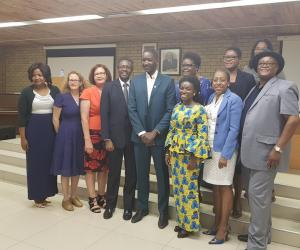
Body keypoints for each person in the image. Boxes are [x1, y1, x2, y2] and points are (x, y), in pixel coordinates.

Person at [240, 51, 299, 250]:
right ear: (256, 67)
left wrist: (278, 148)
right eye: (261, 63)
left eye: (270, 63)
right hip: (250, 153)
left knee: (258, 199)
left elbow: (293, 119)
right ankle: (264, 235)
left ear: (277, 68)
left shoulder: (285, 87)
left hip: (267, 155)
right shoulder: (255, 88)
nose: (265, 65)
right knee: (258, 200)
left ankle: (256, 245)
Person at [128, 49, 176, 228]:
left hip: (159, 138)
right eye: (143, 60)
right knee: (141, 175)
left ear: (156, 60)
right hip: (139, 138)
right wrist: (141, 133)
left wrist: (155, 132)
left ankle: (163, 212)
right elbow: (131, 109)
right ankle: (142, 207)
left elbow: (170, 110)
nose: (145, 62)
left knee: (162, 176)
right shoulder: (136, 81)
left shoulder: (168, 81)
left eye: (149, 59)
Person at [165, 75, 210, 238]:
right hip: (175, 154)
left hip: (190, 156)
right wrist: (168, 151)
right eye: (182, 88)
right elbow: (171, 130)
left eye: (188, 89)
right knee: (178, 190)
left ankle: (190, 226)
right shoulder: (177, 107)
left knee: (189, 191)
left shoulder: (200, 109)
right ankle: (182, 221)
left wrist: (194, 157)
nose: (183, 91)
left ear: (195, 91)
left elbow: (202, 135)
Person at [203, 69, 243, 244]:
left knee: (225, 187)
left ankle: (223, 228)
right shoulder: (212, 97)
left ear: (228, 83)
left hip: (224, 151)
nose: (218, 83)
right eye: (215, 80)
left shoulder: (234, 100)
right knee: (216, 187)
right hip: (210, 149)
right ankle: (216, 223)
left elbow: (234, 129)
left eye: (222, 80)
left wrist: (226, 155)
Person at [18, 62, 59, 208]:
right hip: (34, 132)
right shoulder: (26, 92)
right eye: (34, 75)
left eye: (40, 75)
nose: (37, 77)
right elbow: (22, 117)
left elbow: (59, 112)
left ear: (45, 76)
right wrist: (23, 138)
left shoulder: (55, 90)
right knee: (35, 164)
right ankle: (37, 196)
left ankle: (47, 192)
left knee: (49, 163)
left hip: (50, 132)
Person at [101, 58, 136, 220]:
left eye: (127, 67)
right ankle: (110, 205)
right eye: (122, 66)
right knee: (113, 174)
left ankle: (128, 207)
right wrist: (106, 138)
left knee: (131, 174)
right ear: (117, 69)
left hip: (133, 139)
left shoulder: (136, 86)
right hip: (114, 140)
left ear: (131, 69)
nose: (124, 69)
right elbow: (104, 115)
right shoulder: (109, 87)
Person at [223, 47, 256, 218]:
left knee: (238, 168)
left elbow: (251, 102)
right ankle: (223, 203)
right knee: (226, 165)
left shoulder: (248, 78)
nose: (229, 59)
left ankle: (237, 202)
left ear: (239, 59)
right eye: (226, 57)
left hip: (241, 128)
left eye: (233, 57)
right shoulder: (220, 76)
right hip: (223, 129)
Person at [51, 71, 86, 211]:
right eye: (71, 80)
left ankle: (74, 195)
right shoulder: (61, 97)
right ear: (68, 82)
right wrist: (61, 134)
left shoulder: (84, 97)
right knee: (65, 168)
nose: (73, 82)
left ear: (81, 82)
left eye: (76, 80)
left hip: (80, 136)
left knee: (77, 166)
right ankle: (65, 198)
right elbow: (55, 118)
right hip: (65, 135)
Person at [80, 64, 112, 213]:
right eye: (96, 73)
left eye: (102, 73)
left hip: (108, 135)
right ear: (93, 76)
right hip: (92, 134)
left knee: (105, 169)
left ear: (107, 75)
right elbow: (84, 118)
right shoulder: (87, 92)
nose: (99, 75)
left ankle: (101, 196)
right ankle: (92, 198)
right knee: (91, 170)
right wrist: (87, 139)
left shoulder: (111, 90)